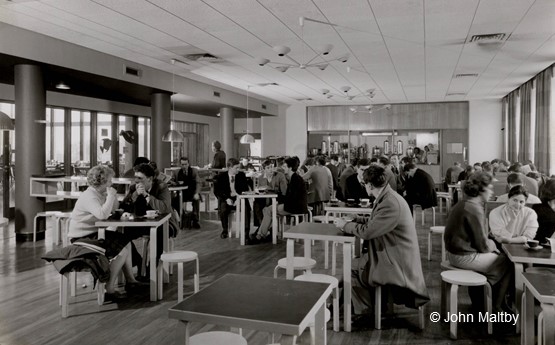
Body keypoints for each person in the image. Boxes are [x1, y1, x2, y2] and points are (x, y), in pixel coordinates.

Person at [334, 166, 429, 316]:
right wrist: (356, 219)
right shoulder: (389, 196)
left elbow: (368, 232)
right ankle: (345, 307)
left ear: (370, 185)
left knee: (351, 268)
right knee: (355, 264)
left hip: (397, 263)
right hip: (394, 254)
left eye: (364, 184)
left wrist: (345, 225)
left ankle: (366, 312)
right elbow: (377, 221)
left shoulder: (390, 202)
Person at [68, 165, 143, 301]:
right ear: (101, 181)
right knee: (123, 251)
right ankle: (109, 289)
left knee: (126, 243)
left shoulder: (99, 194)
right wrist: (112, 195)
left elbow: (114, 209)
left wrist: (111, 196)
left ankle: (131, 281)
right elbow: (102, 215)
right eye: (109, 180)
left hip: (94, 233)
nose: (111, 183)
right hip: (82, 238)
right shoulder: (89, 196)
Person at [444, 172, 513, 313]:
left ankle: (485, 300)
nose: (492, 191)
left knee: (498, 260)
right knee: (507, 263)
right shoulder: (475, 208)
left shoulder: (464, 203)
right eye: (490, 188)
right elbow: (483, 246)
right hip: (463, 257)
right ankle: (496, 306)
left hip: (453, 253)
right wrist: (494, 244)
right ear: (481, 190)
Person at [120, 163, 180, 262]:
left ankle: (152, 271)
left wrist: (146, 195)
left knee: (158, 233)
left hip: (165, 224)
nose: (136, 181)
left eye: (140, 178)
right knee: (121, 234)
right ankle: (138, 262)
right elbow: (123, 206)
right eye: (135, 177)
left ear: (150, 178)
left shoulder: (162, 187)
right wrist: (135, 195)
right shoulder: (133, 188)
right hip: (141, 224)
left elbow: (164, 208)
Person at [251, 157, 307, 243]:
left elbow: (290, 198)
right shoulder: (295, 178)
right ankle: (265, 233)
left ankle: (261, 235)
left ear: (290, 168)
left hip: (294, 207)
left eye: (285, 167)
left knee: (268, 209)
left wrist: (276, 195)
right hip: (294, 205)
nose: (282, 168)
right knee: (266, 209)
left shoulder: (295, 179)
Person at [213, 158, 251, 239]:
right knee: (223, 209)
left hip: (239, 198)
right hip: (227, 198)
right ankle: (225, 230)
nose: (238, 169)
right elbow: (217, 191)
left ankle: (246, 232)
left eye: (239, 167)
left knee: (246, 208)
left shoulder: (241, 175)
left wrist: (239, 198)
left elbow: (245, 189)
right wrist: (226, 198)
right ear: (230, 168)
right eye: (236, 168)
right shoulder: (221, 176)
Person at [252, 159, 287, 229]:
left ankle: (264, 230)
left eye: (272, 167)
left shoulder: (280, 176)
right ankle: (261, 226)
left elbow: (284, 191)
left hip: (277, 199)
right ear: (264, 169)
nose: (271, 170)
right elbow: (259, 190)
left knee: (266, 205)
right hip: (265, 199)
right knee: (256, 204)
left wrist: (271, 189)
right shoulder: (261, 177)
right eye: (268, 168)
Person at [172, 157, 201, 229]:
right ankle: (181, 218)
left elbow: (198, 183)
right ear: (180, 164)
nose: (184, 166)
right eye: (182, 164)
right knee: (173, 201)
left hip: (192, 192)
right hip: (181, 193)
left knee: (196, 200)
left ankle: (195, 220)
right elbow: (172, 181)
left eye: (185, 164)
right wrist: (174, 182)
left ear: (188, 164)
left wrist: (197, 193)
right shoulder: (176, 172)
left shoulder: (194, 171)